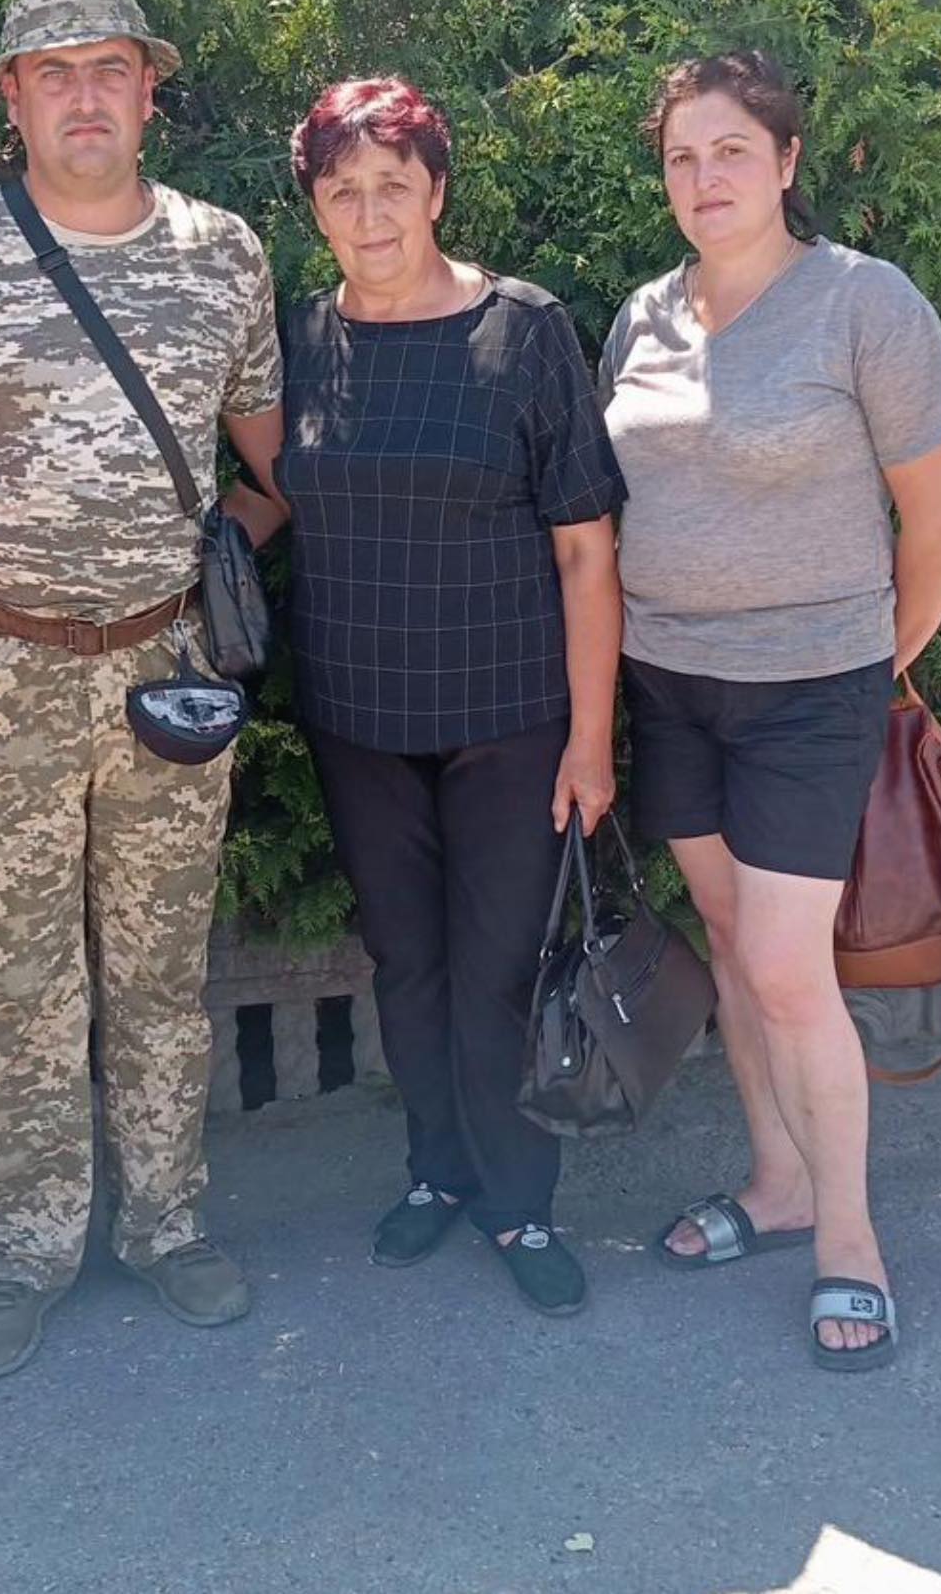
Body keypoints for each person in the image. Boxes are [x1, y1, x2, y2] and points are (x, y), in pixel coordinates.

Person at [0, 0, 287, 1378]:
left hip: (165, 670)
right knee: (12, 980)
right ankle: (22, 1251)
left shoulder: (222, 253)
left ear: (148, 92)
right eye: (55, 71)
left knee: (159, 971)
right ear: (12, 98)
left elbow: (270, 466)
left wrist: (212, 573)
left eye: (110, 69)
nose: (86, 95)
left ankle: (167, 1223)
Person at [599, 49, 941, 1370]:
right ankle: (778, 1182)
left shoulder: (864, 304)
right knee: (727, 936)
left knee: (783, 967)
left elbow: (937, 521)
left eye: (731, 151)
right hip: (671, 684)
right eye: (682, 157)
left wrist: (866, 661)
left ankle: (851, 1240)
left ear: (787, 160)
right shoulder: (640, 316)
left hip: (812, 691)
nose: (705, 178)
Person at [278, 77, 625, 1315]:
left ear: (436, 191)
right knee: (407, 966)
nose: (369, 213)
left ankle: (519, 1203)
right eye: (342, 190)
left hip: (509, 721)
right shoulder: (302, 339)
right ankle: (437, 1173)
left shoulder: (522, 330)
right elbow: (272, 492)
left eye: (394, 185)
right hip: (359, 718)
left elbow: (586, 550)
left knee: (497, 972)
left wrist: (592, 738)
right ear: (316, 207)